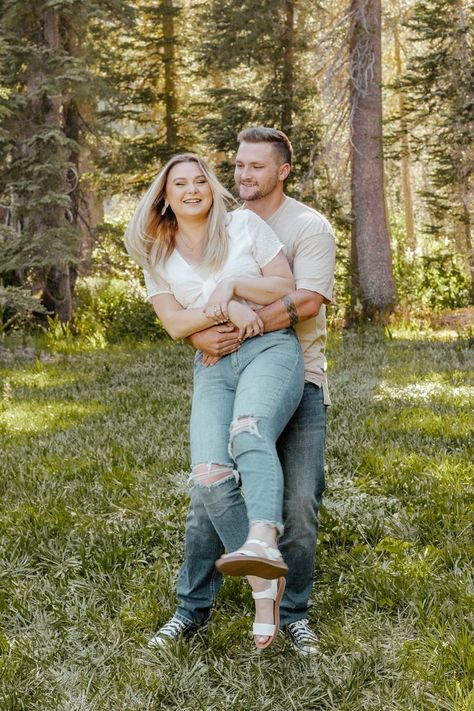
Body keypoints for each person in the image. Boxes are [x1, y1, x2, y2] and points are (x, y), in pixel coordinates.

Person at [151, 128, 336, 656]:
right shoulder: (212, 224)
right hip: (225, 367)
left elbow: (310, 297)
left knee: (298, 502)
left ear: (282, 170)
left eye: (256, 166)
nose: (244, 174)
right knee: (208, 494)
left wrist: (238, 323)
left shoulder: (305, 226)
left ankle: (292, 612)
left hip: (298, 372)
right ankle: (194, 606)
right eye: (237, 165)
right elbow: (179, 308)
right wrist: (206, 326)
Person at [124, 152, 305, 650]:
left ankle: (263, 541)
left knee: (248, 430)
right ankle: (263, 585)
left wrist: (231, 286)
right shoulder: (157, 255)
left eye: (199, 180)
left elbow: (285, 287)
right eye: (179, 183)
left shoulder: (245, 224)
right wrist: (222, 312)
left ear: (211, 187)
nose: (190, 189)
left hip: (268, 349)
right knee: (209, 476)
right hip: (213, 365)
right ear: (165, 195)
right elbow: (176, 325)